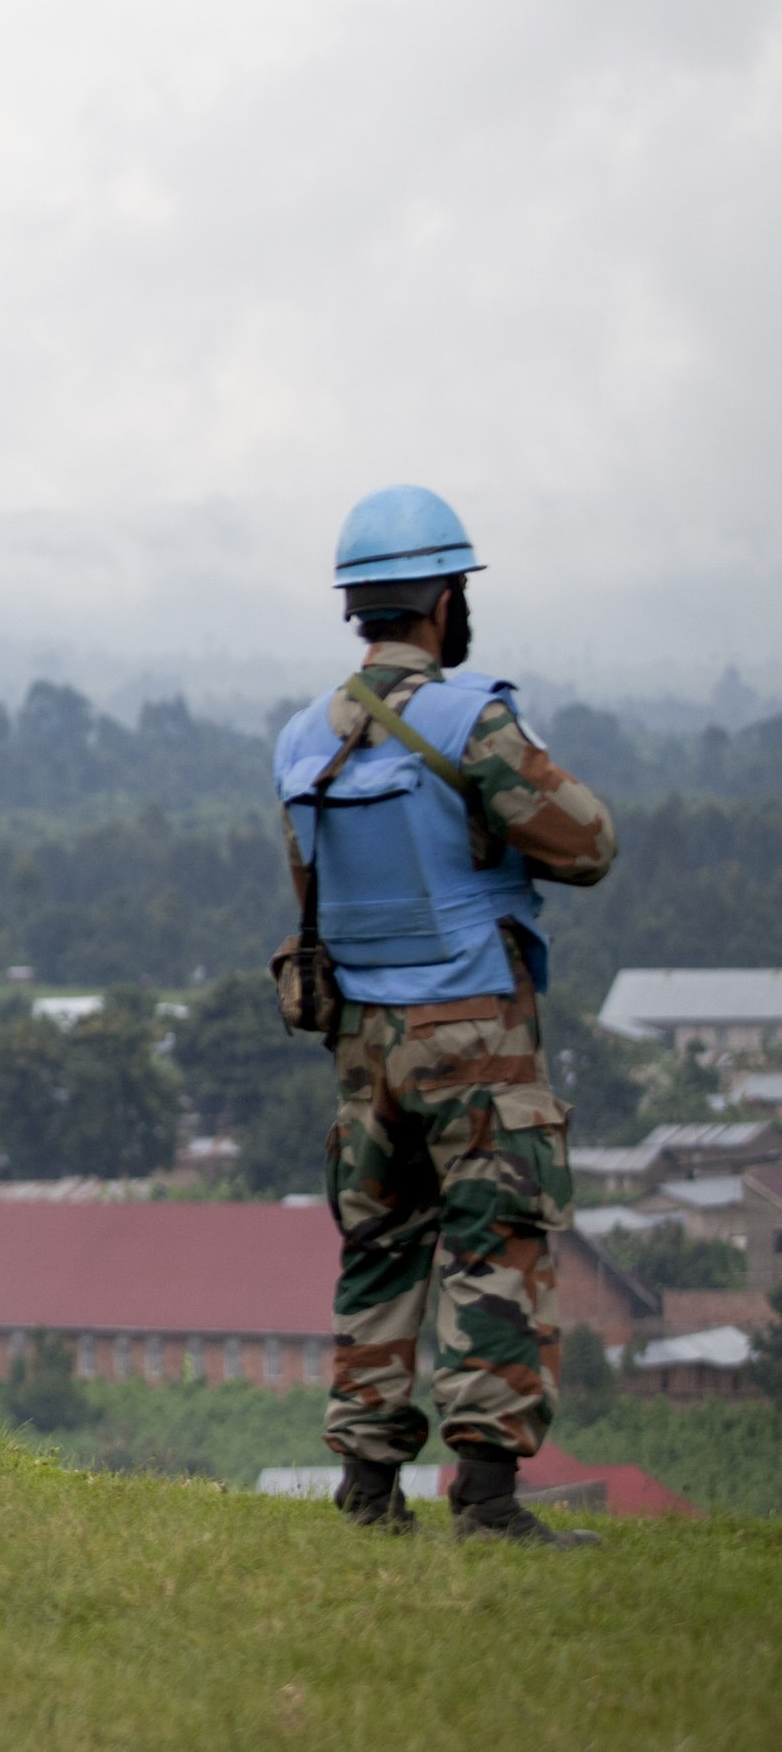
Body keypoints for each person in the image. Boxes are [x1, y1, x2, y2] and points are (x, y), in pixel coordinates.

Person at [272, 485, 618, 1547]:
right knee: (495, 1248)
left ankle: (369, 1495)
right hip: (473, 1032)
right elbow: (589, 844)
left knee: (379, 1249)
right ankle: (490, 1501)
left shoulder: (300, 740)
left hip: (363, 1045)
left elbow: (313, 884)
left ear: (358, 609)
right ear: (440, 601)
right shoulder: (475, 721)